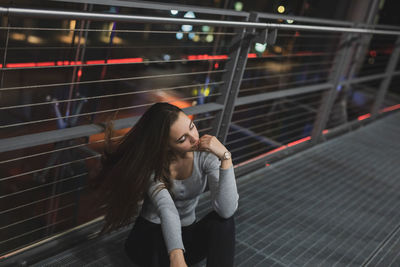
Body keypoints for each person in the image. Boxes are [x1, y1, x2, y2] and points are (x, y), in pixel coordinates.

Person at [95, 102, 239, 267]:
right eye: (182, 139)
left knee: (224, 223)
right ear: (166, 145)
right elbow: (167, 210)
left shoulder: (206, 157)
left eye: (192, 126)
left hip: (186, 236)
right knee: (160, 240)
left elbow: (226, 210)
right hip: (151, 238)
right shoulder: (152, 166)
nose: (194, 139)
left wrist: (225, 158)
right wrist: (176, 257)